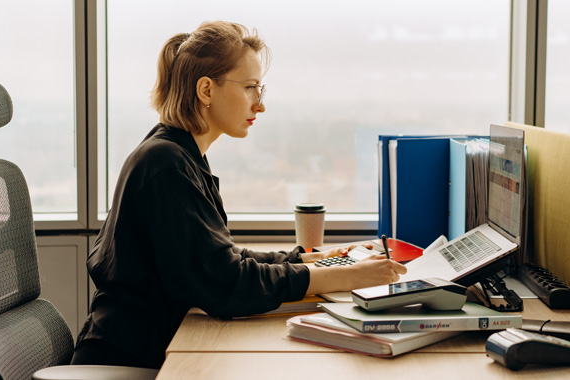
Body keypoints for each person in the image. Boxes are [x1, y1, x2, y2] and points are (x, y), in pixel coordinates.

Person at [72, 21, 406, 369]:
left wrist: (312, 258)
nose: (259, 105)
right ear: (206, 90)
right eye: (250, 88)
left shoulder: (180, 156)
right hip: (127, 361)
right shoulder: (167, 164)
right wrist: (346, 276)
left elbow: (220, 259)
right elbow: (226, 283)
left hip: (149, 348)